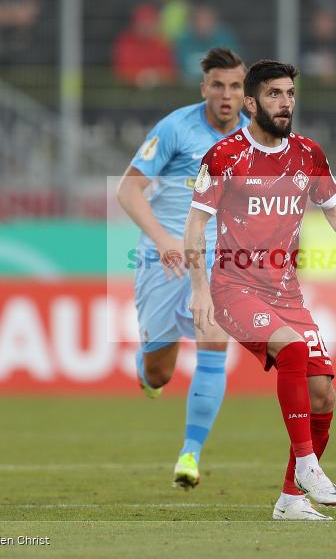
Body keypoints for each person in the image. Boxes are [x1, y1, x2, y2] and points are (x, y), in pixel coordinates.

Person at [183, 60, 336, 520]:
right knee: (294, 352)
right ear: (252, 102)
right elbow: (195, 225)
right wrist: (199, 289)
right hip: (233, 287)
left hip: (286, 294)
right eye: (275, 95)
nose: (285, 103)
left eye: (290, 94)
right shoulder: (224, 157)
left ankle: (291, 500)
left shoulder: (307, 155)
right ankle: (307, 465)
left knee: (323, 395)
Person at [115, 48, 249, 489]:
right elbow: (129, 191)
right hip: (164, 258)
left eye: (235, 86)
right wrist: (163, 240)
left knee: (214, 343)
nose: (227, 95)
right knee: (160, 372)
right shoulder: (175, 128)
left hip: (217, 261)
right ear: (204, 87)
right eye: (218, 85)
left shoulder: (257, 137)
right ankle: (146, 366)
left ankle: (190, 454)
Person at [112, 4, 177, 87]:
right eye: (142, 23)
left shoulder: (163, 44)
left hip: (159, 90)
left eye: (149, 23)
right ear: (135, 24)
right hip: (129, 90)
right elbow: (120, 72)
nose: (146, 27)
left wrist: (156, 76)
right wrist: (139, 77)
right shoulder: (125, 42)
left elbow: (171, 73)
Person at [175, 4, 239, 82]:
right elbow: (178, 70)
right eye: (199, 20)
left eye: (207, 20)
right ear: (192, 22)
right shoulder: (183, 41)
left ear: (214, 21)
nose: (203, 24)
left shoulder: (225, 40)